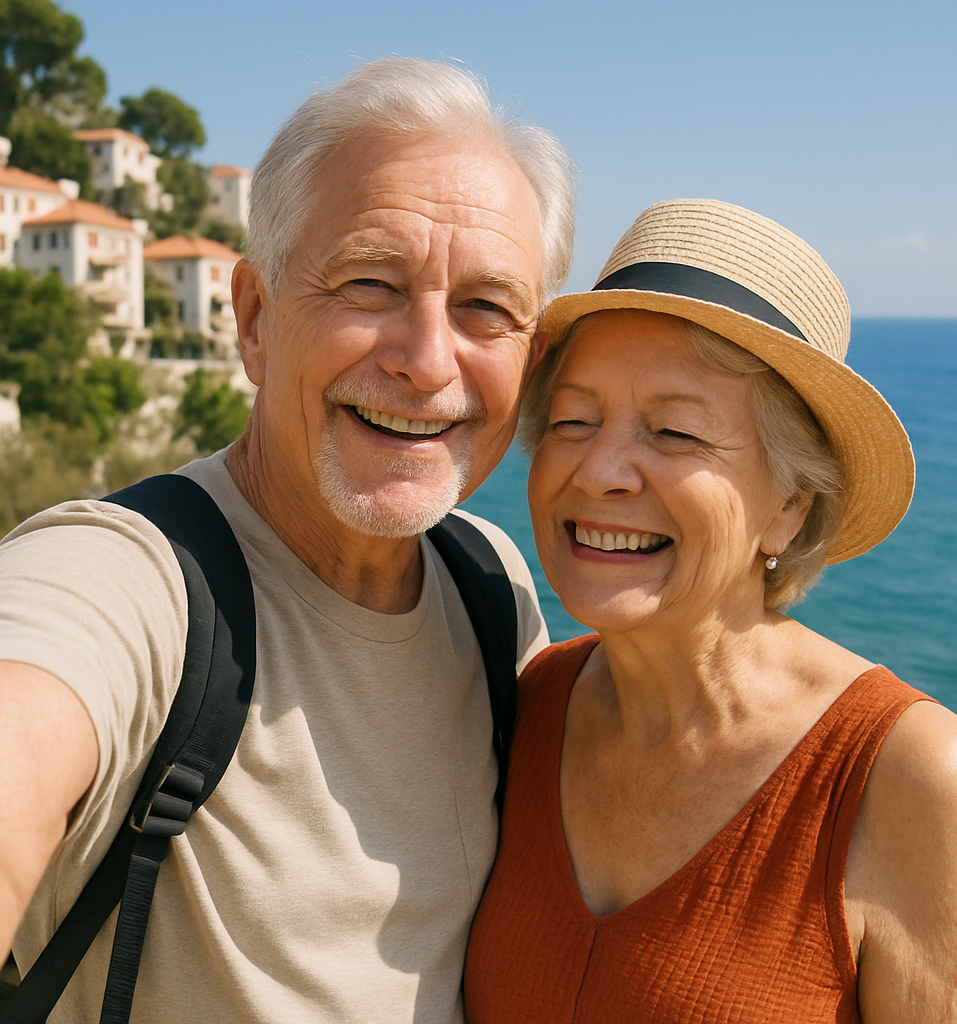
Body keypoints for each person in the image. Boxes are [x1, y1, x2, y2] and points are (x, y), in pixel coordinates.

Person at [0, 57, 575, 1022]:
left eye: (485, 307)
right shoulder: (123, 579)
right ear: (257, 321)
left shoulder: (489, 585)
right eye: (370, 283)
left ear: (533, 358)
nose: (428, 360)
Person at [464, 199, 957, 1022]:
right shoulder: (530, 700)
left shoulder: (905, 773)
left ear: (790, 505)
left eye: (675, 433)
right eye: (573, 420)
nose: (601, 470)